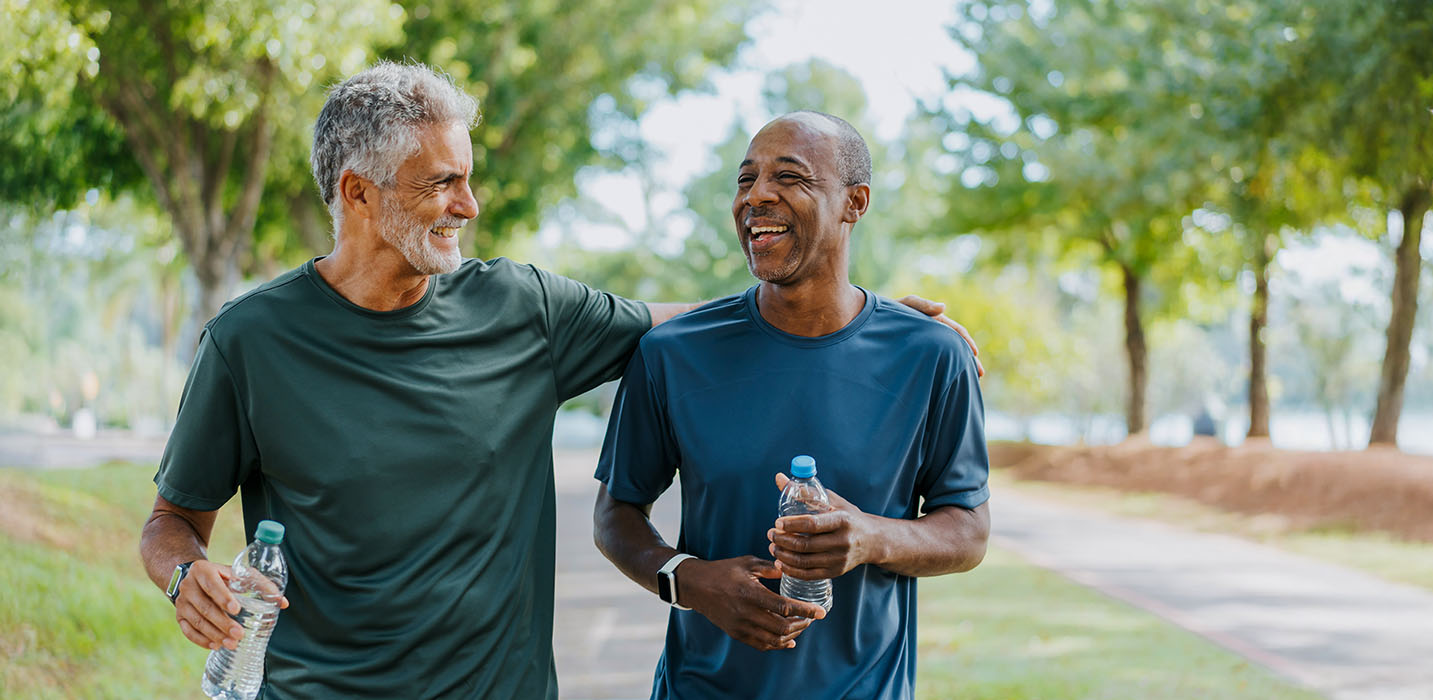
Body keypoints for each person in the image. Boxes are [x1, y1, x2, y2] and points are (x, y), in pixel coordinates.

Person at [138, 63, 975, 699]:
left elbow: (697, 321)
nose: (470, 205)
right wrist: (186, 576)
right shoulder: (249, 341)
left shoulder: (521, 309)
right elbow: (172, 522)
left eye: (468, 178)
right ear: (358, 194)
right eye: (443, 183)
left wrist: (868, 316)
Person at [593, 111, 991, 700]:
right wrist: (690, 580)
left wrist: (870, 537)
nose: (756, 196)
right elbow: (615, 515)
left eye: (789, 176)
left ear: (855, 203)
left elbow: (968, 531)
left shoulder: (931, 355)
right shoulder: (671, 353)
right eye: (745, 179)